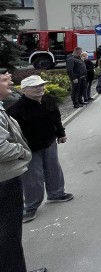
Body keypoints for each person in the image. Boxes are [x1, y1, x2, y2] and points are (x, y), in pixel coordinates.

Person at [7, 75, 73, 224]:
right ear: (24, 90)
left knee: (53, 168)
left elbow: (56, 118)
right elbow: (13, 133)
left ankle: (56, 194)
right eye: (35, 86)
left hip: (49, 142)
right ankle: (31, 206)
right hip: (30, 148)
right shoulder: (15, 109)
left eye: (41, 85)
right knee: (33, 176)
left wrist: (61, 133)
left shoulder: (49, 100)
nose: (40, 88)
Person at [0, 69, 48, 272]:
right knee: (9, 235)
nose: (9, 81)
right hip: (4, 180)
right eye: (3, 79)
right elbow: (1, 148)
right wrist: (22, 151)